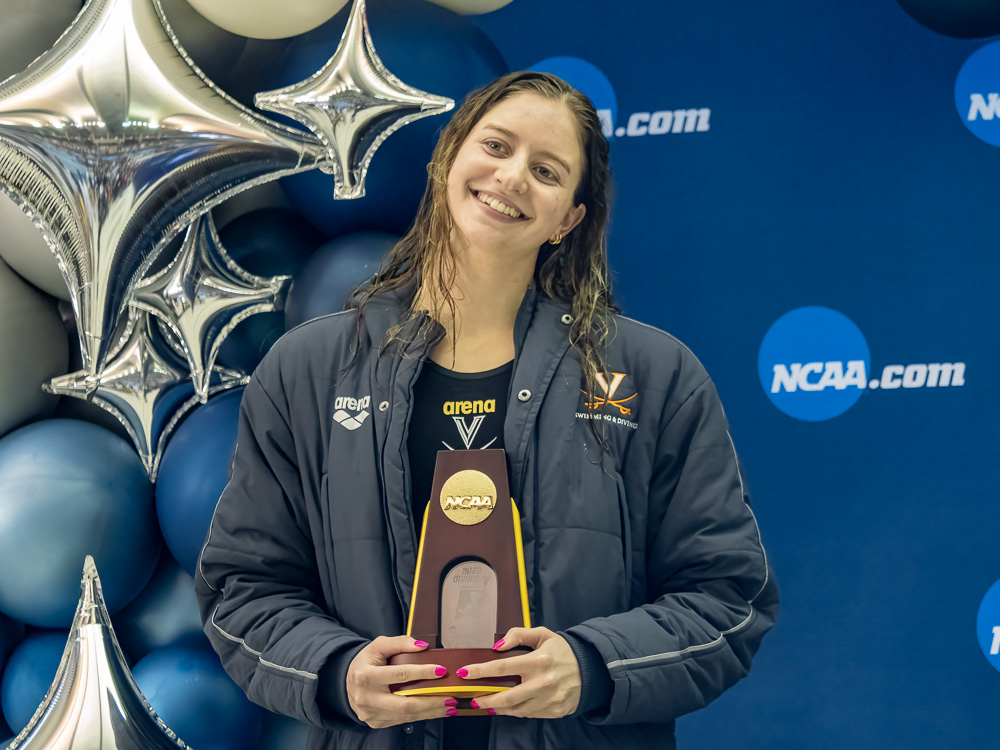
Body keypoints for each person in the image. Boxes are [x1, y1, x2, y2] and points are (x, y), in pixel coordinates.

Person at [196, 70, 778, 750]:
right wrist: (337, 672)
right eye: (497, 146)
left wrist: (591, 666)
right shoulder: (309, 371)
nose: (512, 177)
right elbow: (243, 589)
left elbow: (729, 599)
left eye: (548, 170)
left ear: (570, 219)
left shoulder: (653, 375)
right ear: (448, 157)